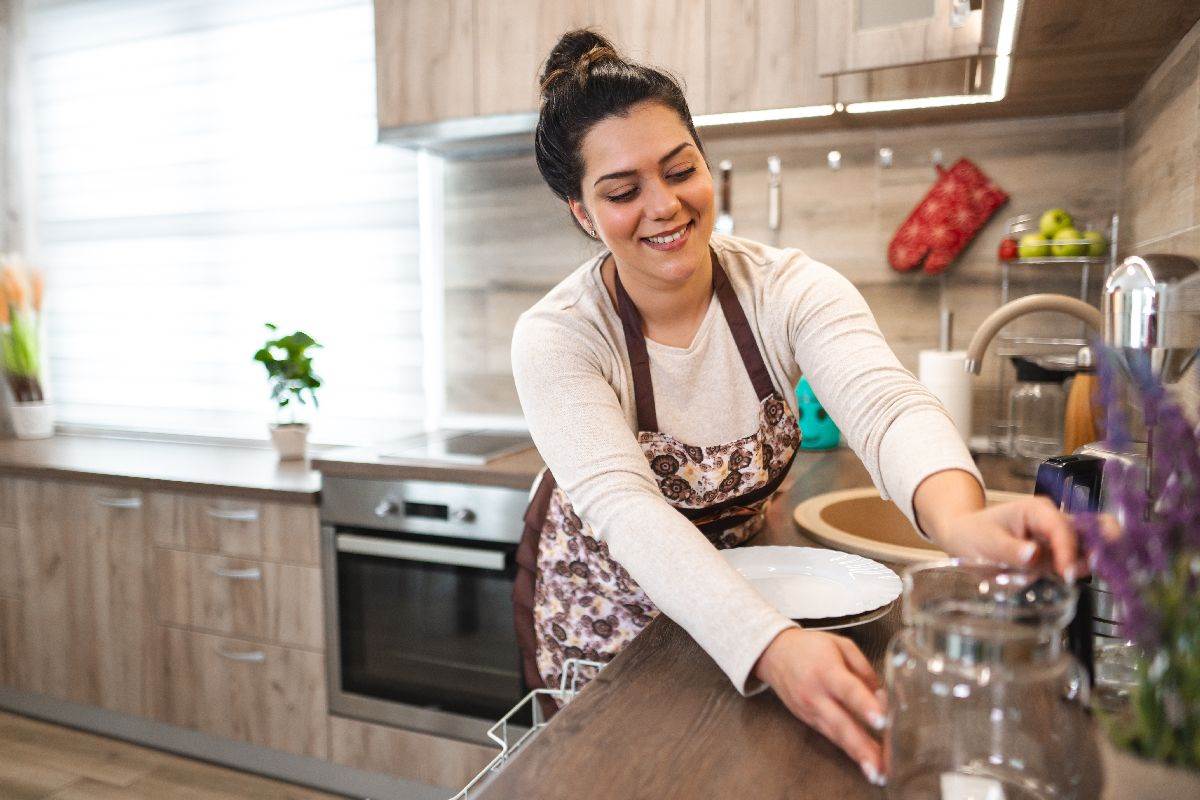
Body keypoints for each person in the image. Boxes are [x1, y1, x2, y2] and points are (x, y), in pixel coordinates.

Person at [510, 29, 1081, 787]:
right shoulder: (560, 336)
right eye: (622, 192)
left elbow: (884, 406)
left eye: (681, 169)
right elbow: (627, 510)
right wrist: (771, 645)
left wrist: (961, 521)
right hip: (604, 615)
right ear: (582, 213)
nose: (665, 205)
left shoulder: (786, 288)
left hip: (746, 599)